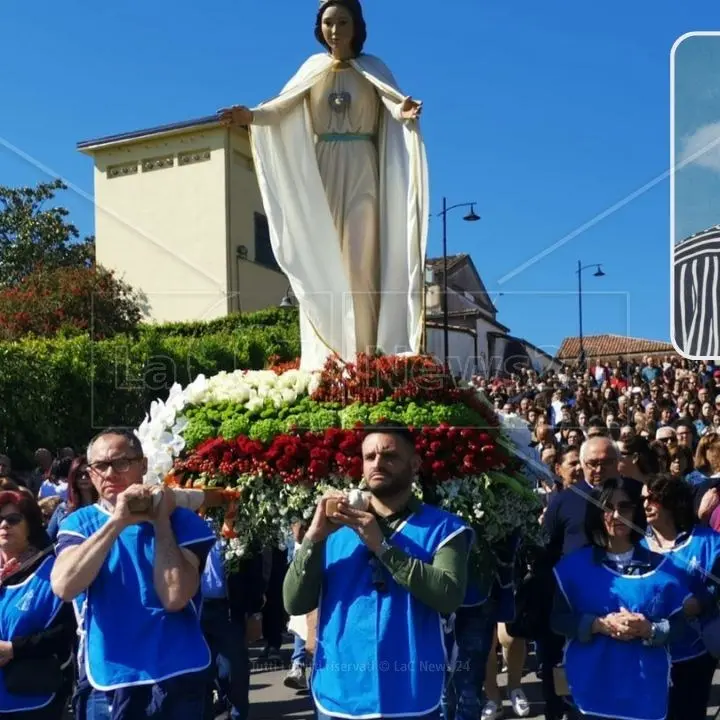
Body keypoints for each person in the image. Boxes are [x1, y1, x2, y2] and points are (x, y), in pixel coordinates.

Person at [218, 0, 428, 370]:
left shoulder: (373, 69)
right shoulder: (311, 70)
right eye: (328, 22)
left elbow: (393, 102)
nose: (334, 29)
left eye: (342, 21)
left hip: (362, 165)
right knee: (327, 256)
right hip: (323, 168)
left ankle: (364, 352)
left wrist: (403, 111)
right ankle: (332, 353)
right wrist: (250, 115)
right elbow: (281, 107)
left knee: (359, 260)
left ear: (355, 26)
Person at [284, 422, 472, 719]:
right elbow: (294, 602)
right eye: (369, 456)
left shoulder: (445, 529)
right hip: (340, 690)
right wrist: (313, 538)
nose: (377, 463)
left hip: (411, 691)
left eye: (389, 456)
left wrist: (383, 548)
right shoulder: (333, 527)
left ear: (415, 464)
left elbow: (448, 596)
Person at [50, 427, 216, 719]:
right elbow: (64, 586)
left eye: (121, 462)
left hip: (178, 671)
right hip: (109, 676)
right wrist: (117, 522)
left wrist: (160, 521)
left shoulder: (183, 521)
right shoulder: (80, 523)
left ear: (144, 465)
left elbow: (174, 596)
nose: (110, 473)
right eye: (100, 466)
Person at [552, 477, 688, 720]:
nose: (616, 515)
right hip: (589, 690)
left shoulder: (666, 570)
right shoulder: (571, 568)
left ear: (636, 511)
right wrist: (597, 625)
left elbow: (681, 626)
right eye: (607, 508)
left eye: (624, 507)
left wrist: (651, 629)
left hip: (645, 691)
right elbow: (557, 621)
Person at [641, 474, 720, 720]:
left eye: (653, 498)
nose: (646, 504)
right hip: (646, 653)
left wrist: (703, 600)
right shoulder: (635, 545)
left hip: (694, 654)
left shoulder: (708, 541)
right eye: (643, 498)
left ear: (673, 502)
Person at [0, 490, 75, 718]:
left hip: (32, 698)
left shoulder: (54, 571)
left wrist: (14, 649)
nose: (4, 525)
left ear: (30, 524)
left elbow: (66, 632)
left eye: (13, 519)